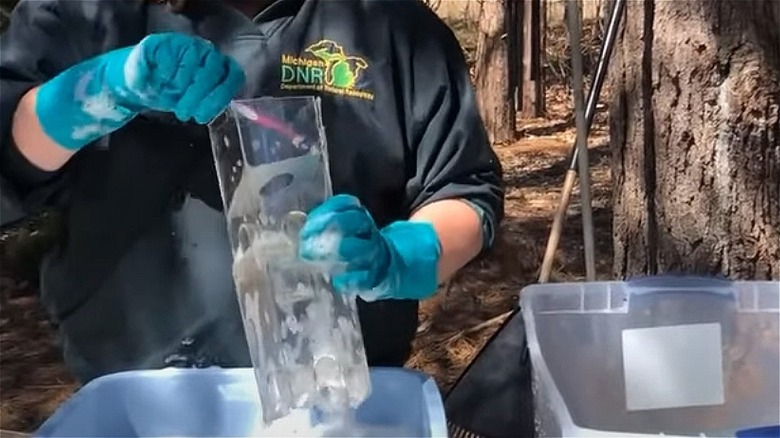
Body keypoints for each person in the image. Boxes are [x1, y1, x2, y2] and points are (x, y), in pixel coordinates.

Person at [0, 0, 504, 383]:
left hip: (338, 397)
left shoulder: (393, 25)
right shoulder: (82, 11)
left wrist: (400, 257)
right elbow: (10, 154)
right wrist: (101, 90)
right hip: (132, 401)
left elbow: (464, 188)